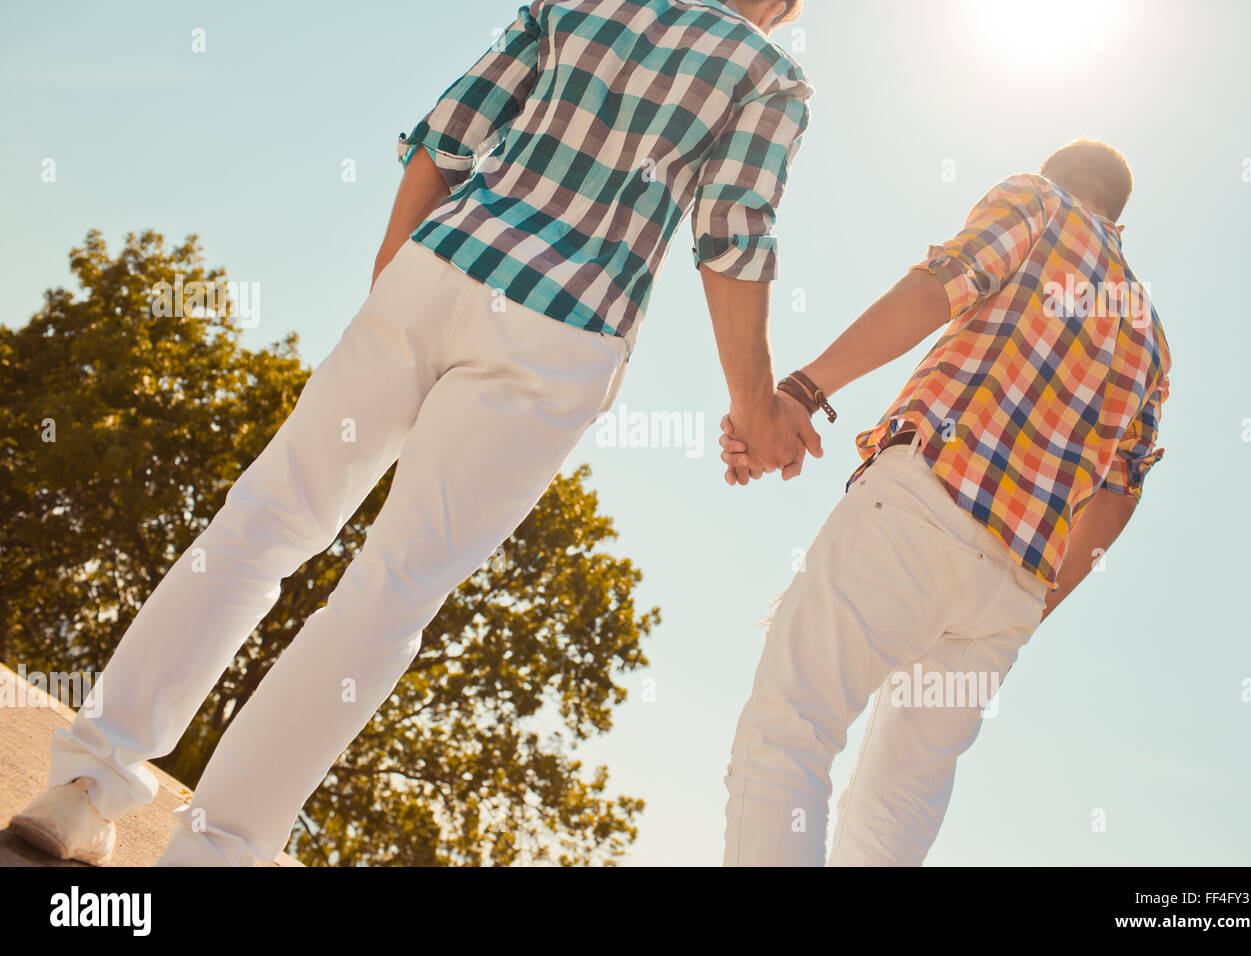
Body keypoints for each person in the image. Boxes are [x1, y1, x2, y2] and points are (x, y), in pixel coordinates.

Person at [11, 0, 817, 866]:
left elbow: (450, 129)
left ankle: (84, 787)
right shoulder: (769, 73)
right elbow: (731, 233)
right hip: (561, 331)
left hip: (437, 263)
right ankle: (212, 854)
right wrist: (752, 406)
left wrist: (395, 273)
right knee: (388, 593)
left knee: (263, 519)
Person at [718, 139, 1173, 865]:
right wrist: (1028, 602)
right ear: (1119, 213)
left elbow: (939, 288)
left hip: (927, 503)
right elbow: (1118, 499)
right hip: (1013, 589)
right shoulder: (1151, 335)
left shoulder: (1038, 201)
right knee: (897, 806)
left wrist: (802, 389)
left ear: (1060, 176)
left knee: (791, 724)